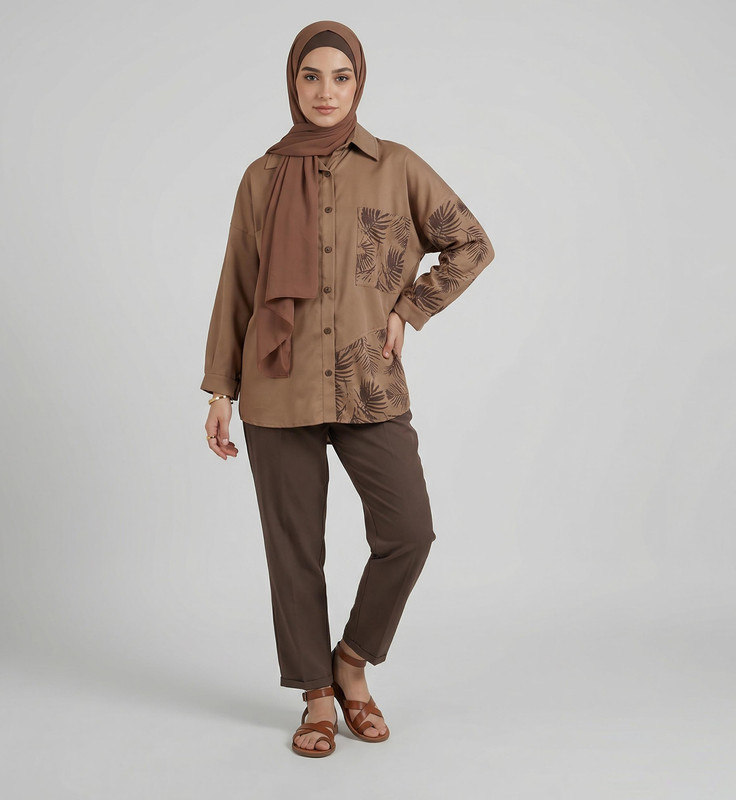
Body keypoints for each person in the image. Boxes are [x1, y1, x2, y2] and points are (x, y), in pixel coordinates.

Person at [200, 20, 495, 757]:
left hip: (369, 384)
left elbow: (471, 243)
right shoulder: (262, 176)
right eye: (311, 76)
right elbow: (238, 285)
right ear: (292, 83)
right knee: (294, 551)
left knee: (409, 532)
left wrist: (410, 307)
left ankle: (351, 663)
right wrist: (219, 390)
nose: (325, 91)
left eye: (341, 76)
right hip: (277, 387)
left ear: (359, 83)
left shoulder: (396, 166)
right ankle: (316, 696)